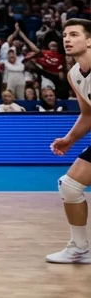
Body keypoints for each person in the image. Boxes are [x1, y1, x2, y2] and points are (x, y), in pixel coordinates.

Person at [46, 19, 91, 264]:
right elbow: (88, 113)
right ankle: (80, 249)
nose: (67, 39)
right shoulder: (75, 75)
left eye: (74, 34)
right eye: (65, 35)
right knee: (70, 185)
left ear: (90, 40)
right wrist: (69, 139)